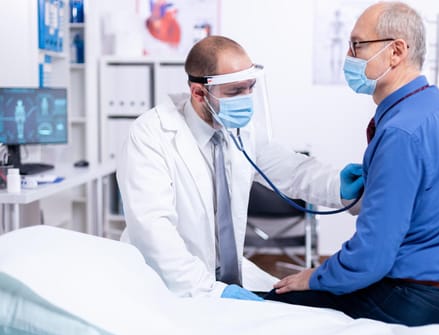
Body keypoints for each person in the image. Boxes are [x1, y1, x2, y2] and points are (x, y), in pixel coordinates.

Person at [265, 1, 439, 326]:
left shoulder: (401, 131)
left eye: (357, 45)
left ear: (396, 51)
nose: (348, 56)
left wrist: (315, 276)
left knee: (274, 302)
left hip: (425, 299)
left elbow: (371, 257)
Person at [117, 35, 363, 301]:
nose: (246, 100)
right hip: (169, 283)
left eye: (250, 88)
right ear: (198, 93)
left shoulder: (241, 131)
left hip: (223, 276)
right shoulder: (151, 135)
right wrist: (211, 292)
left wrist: (338, 185)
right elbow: (154, 232)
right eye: (234, 91)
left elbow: (291, 170)